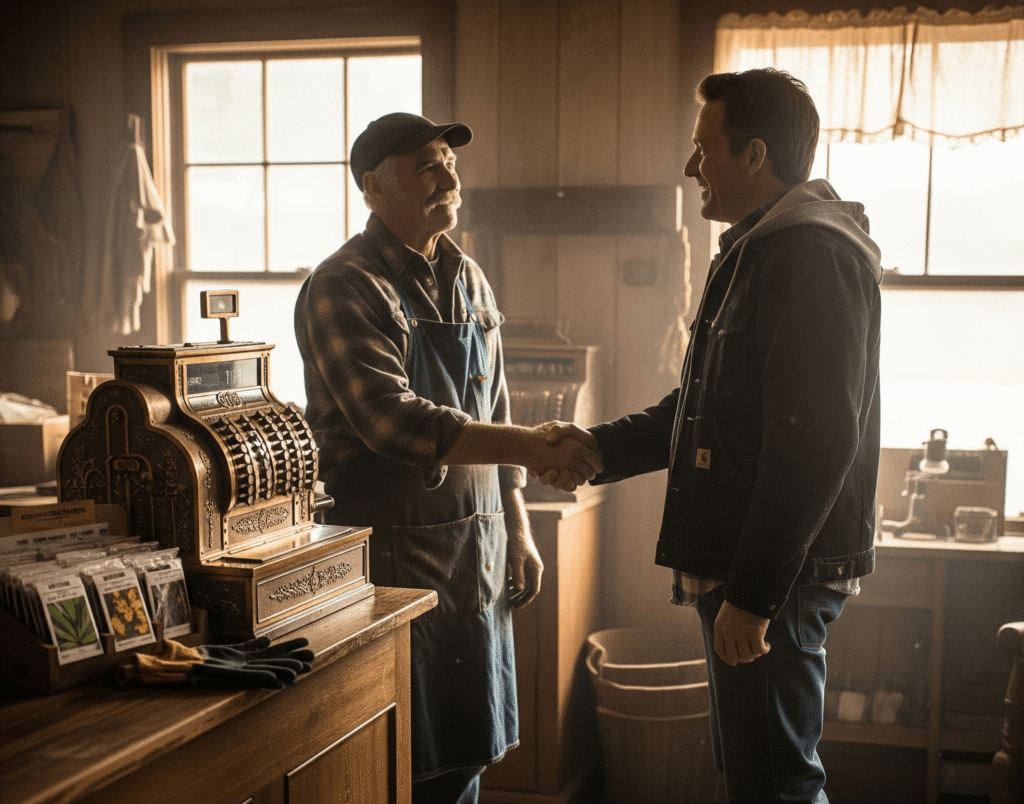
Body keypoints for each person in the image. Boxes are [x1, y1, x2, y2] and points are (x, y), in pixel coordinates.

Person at [539, 69, 882, 803]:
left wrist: (755, 597)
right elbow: (704, 408)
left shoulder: (808, 256)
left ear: (754, 156)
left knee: (775, 783)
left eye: (705, 149)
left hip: (773, 578)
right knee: (755, 774)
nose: (692, 167)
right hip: (752, 571)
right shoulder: (758, 249)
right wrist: (597, 447)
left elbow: (817, 441)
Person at [293, 112, 601, 804]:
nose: (447, 177)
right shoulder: (344, 284)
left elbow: (493, 403)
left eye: (448, 162)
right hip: (387, 554)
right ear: (373, 188)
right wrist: (532, 443)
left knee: (465, 753)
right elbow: (391, 420)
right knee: (395, 757)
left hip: (478, 547)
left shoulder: (468, 276)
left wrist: (516, 522)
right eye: (425, 166)